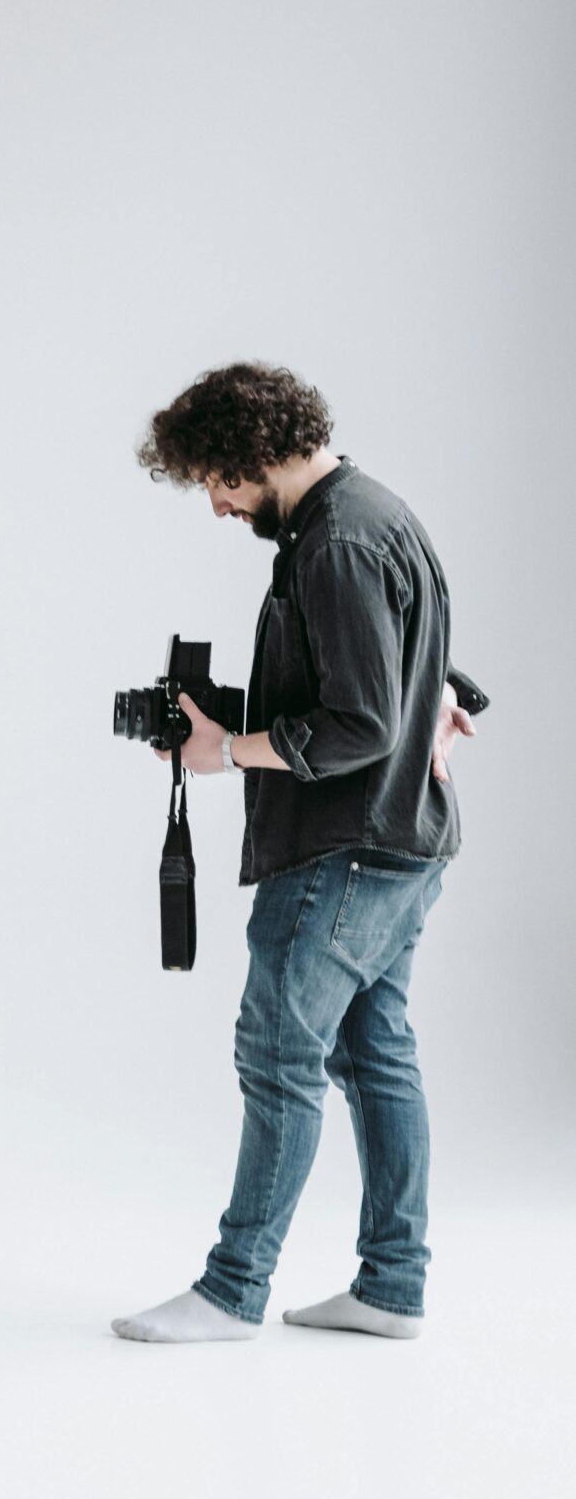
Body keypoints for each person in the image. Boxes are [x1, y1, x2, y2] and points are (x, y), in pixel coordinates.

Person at [112, 363, 485, 1346]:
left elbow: (359, 722)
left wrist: (224, 750)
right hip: (402, 841)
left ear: (251, 453)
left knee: (279, 1053)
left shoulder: (336, 539)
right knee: (374, 1056)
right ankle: (392, 1287)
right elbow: (395, 668)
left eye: (215, 480)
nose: (217, 503)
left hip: (346, 850)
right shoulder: (374, 512)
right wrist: (228, 719)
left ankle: (233, 1291)